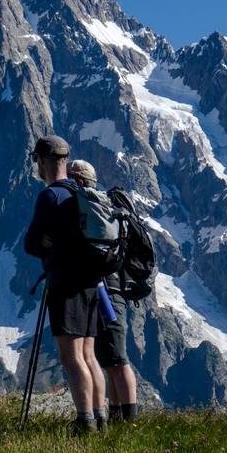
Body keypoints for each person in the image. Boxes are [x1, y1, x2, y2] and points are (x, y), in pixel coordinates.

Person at [23, 136, 105, 434]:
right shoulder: (81, 192)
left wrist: (47, 243)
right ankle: (101, 417)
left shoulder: (50, 196)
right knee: (89, 354)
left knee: (71, 356)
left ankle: (85, 421)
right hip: (92, 284)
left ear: (42, 161)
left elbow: (31, 243)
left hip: (65, 284)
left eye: (36, 161)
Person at [67, 159, 139, 424]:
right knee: (109, 358)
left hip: (108, 291)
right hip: (112, 289)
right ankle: (119, 416)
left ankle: (128, 421)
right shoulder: (108, 210)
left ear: (80, 181)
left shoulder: (92, 209)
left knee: (117, 359)